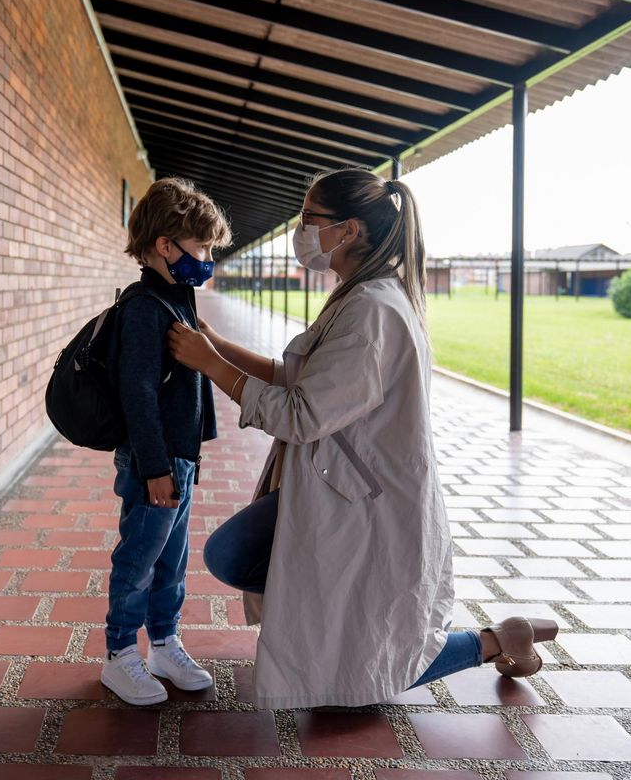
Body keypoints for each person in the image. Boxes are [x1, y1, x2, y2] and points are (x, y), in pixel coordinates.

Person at [168, 168, 558, 709]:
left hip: (365, 504)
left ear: (347, 230)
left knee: (372, 665)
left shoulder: (373, 309)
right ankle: (325, 636)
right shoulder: (359, 296)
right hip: (336, 489)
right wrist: (217, 345)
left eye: (309, 220)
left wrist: (213, 367)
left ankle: (494, 641)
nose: (301, 233)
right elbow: (300, 377)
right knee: (239, 560)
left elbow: (301, 414)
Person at [101, 177, 229, 705]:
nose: (206, 260)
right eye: (200, 249)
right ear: (165, 246)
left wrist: (187, 457)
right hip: (155, 463)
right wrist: (155, 466)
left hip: (178, 460)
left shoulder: (177, 302)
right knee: (139, 559)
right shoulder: (144, 309)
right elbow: (138, 395)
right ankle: (119, 655)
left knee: (172, 560)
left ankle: (163, 642)